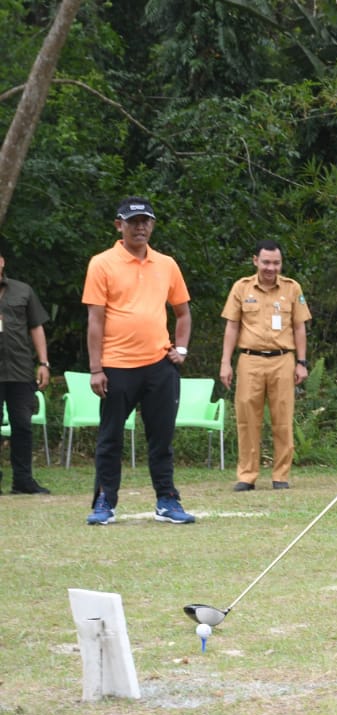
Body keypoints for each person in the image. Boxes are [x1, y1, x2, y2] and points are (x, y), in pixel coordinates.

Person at [82, 196, 196, 525]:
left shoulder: (167, 264)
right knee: (110, 438)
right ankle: (105, 501)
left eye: (146, 221)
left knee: (161, 437)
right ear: (119, 225)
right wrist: (96, 368)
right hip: (117, 366)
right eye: (133, 222)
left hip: (160, 365)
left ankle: (167, 500)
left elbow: (183, 312)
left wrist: (182, 350)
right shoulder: (101, 263)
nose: (140, 227)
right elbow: (95, 320)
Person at [219, 240, 312, 491]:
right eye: (266, 262)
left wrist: (301, 363)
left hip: (283, 359)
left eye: (276, 262)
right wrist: (225, 363)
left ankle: (281, 475)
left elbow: (299, 327)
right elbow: (232, 326)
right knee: (247, 419)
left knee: (283, 419)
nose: (271, 267)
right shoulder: (242, 288)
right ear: (255, 261)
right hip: (249, 359)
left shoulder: (292, 289)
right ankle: (247, 475)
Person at [0, 250, 52, 495]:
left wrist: (43, 363)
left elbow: (36, 327)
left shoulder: (23, 290)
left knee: (22, 425)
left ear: (2, 262)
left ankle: (22, 481)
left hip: (20, 370)